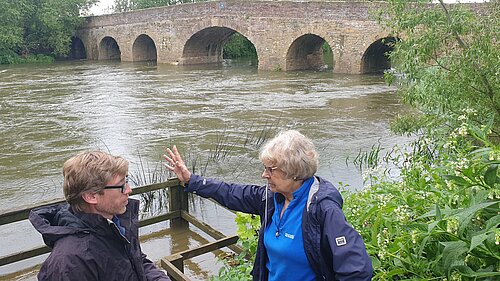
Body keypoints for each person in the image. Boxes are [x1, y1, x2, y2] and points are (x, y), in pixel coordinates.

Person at [163, 130, 372, 281]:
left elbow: (357, 269)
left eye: (271, 169)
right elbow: (231, 192)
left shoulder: (322, 209)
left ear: (294, 172)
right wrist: (191, 180)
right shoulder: (271, 198)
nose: (264, 175)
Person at [29, 151, 171, 281]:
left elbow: (136, 261)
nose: (129, 190)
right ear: (91, 196)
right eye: (121, 185)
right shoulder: (70, 262)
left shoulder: (113, 224)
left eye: (126, 181)